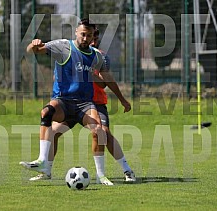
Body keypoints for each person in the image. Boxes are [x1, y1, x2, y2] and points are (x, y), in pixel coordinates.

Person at [29, 28, 136, 184]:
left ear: (96, 40)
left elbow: (104, 83)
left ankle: (127, 170)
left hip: (95, 103)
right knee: (53, 132)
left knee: (103, 132)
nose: (89, 42)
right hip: (71, 103)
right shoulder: (71, 50)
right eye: (86, 37)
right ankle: (46, 170)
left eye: (93, 39)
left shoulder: (100, 57)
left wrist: (91, 74)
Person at [20, 18, 114, 185]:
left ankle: (101, 176)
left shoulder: (96, 56)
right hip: (63, 102)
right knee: (46, 112)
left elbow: (106, 79)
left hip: (85, 105)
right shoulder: (63, 45)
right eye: (83, 34)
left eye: (89, 35)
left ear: (93, 37)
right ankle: (43, 162)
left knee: (98, 131)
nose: (86, 38)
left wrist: (119, 96)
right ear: (76, 32)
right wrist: (33, 45)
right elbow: (34, 50)